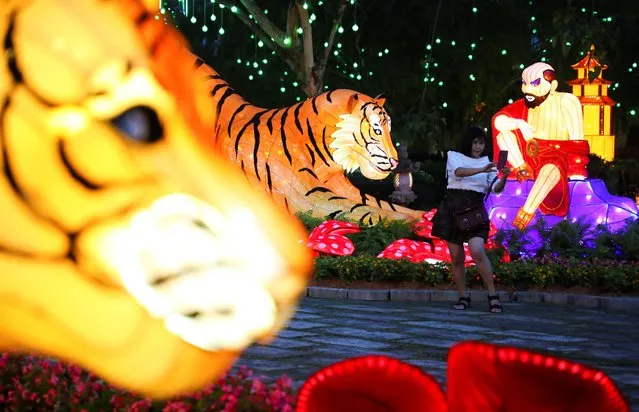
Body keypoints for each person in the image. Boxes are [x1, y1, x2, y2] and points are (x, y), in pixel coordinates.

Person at [492, 62, 589, 230]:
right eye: (524, 83)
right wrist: (519, 123)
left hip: (554, 156)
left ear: (553, 86)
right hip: (527, 157)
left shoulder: (566, 101)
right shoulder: (525, 103)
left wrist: (576, 169)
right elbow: (498, 121)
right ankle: (522, 169)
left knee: (550, 168)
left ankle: (525, 214)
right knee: (504, 135)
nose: (527, 89)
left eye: (535, 83)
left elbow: (577, 142)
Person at [431, 126, 510, 313]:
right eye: (475, 142)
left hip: (475, 210)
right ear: (468, 142)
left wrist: (504, 177)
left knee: (477, 250)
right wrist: (482, 169)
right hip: (452, 209)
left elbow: (496, 189)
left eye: (481, 142)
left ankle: (493, 296)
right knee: (456, 257)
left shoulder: (488, 163)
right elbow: (458, 172)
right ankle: (463, 296)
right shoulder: (454, 156)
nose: (478, 146)